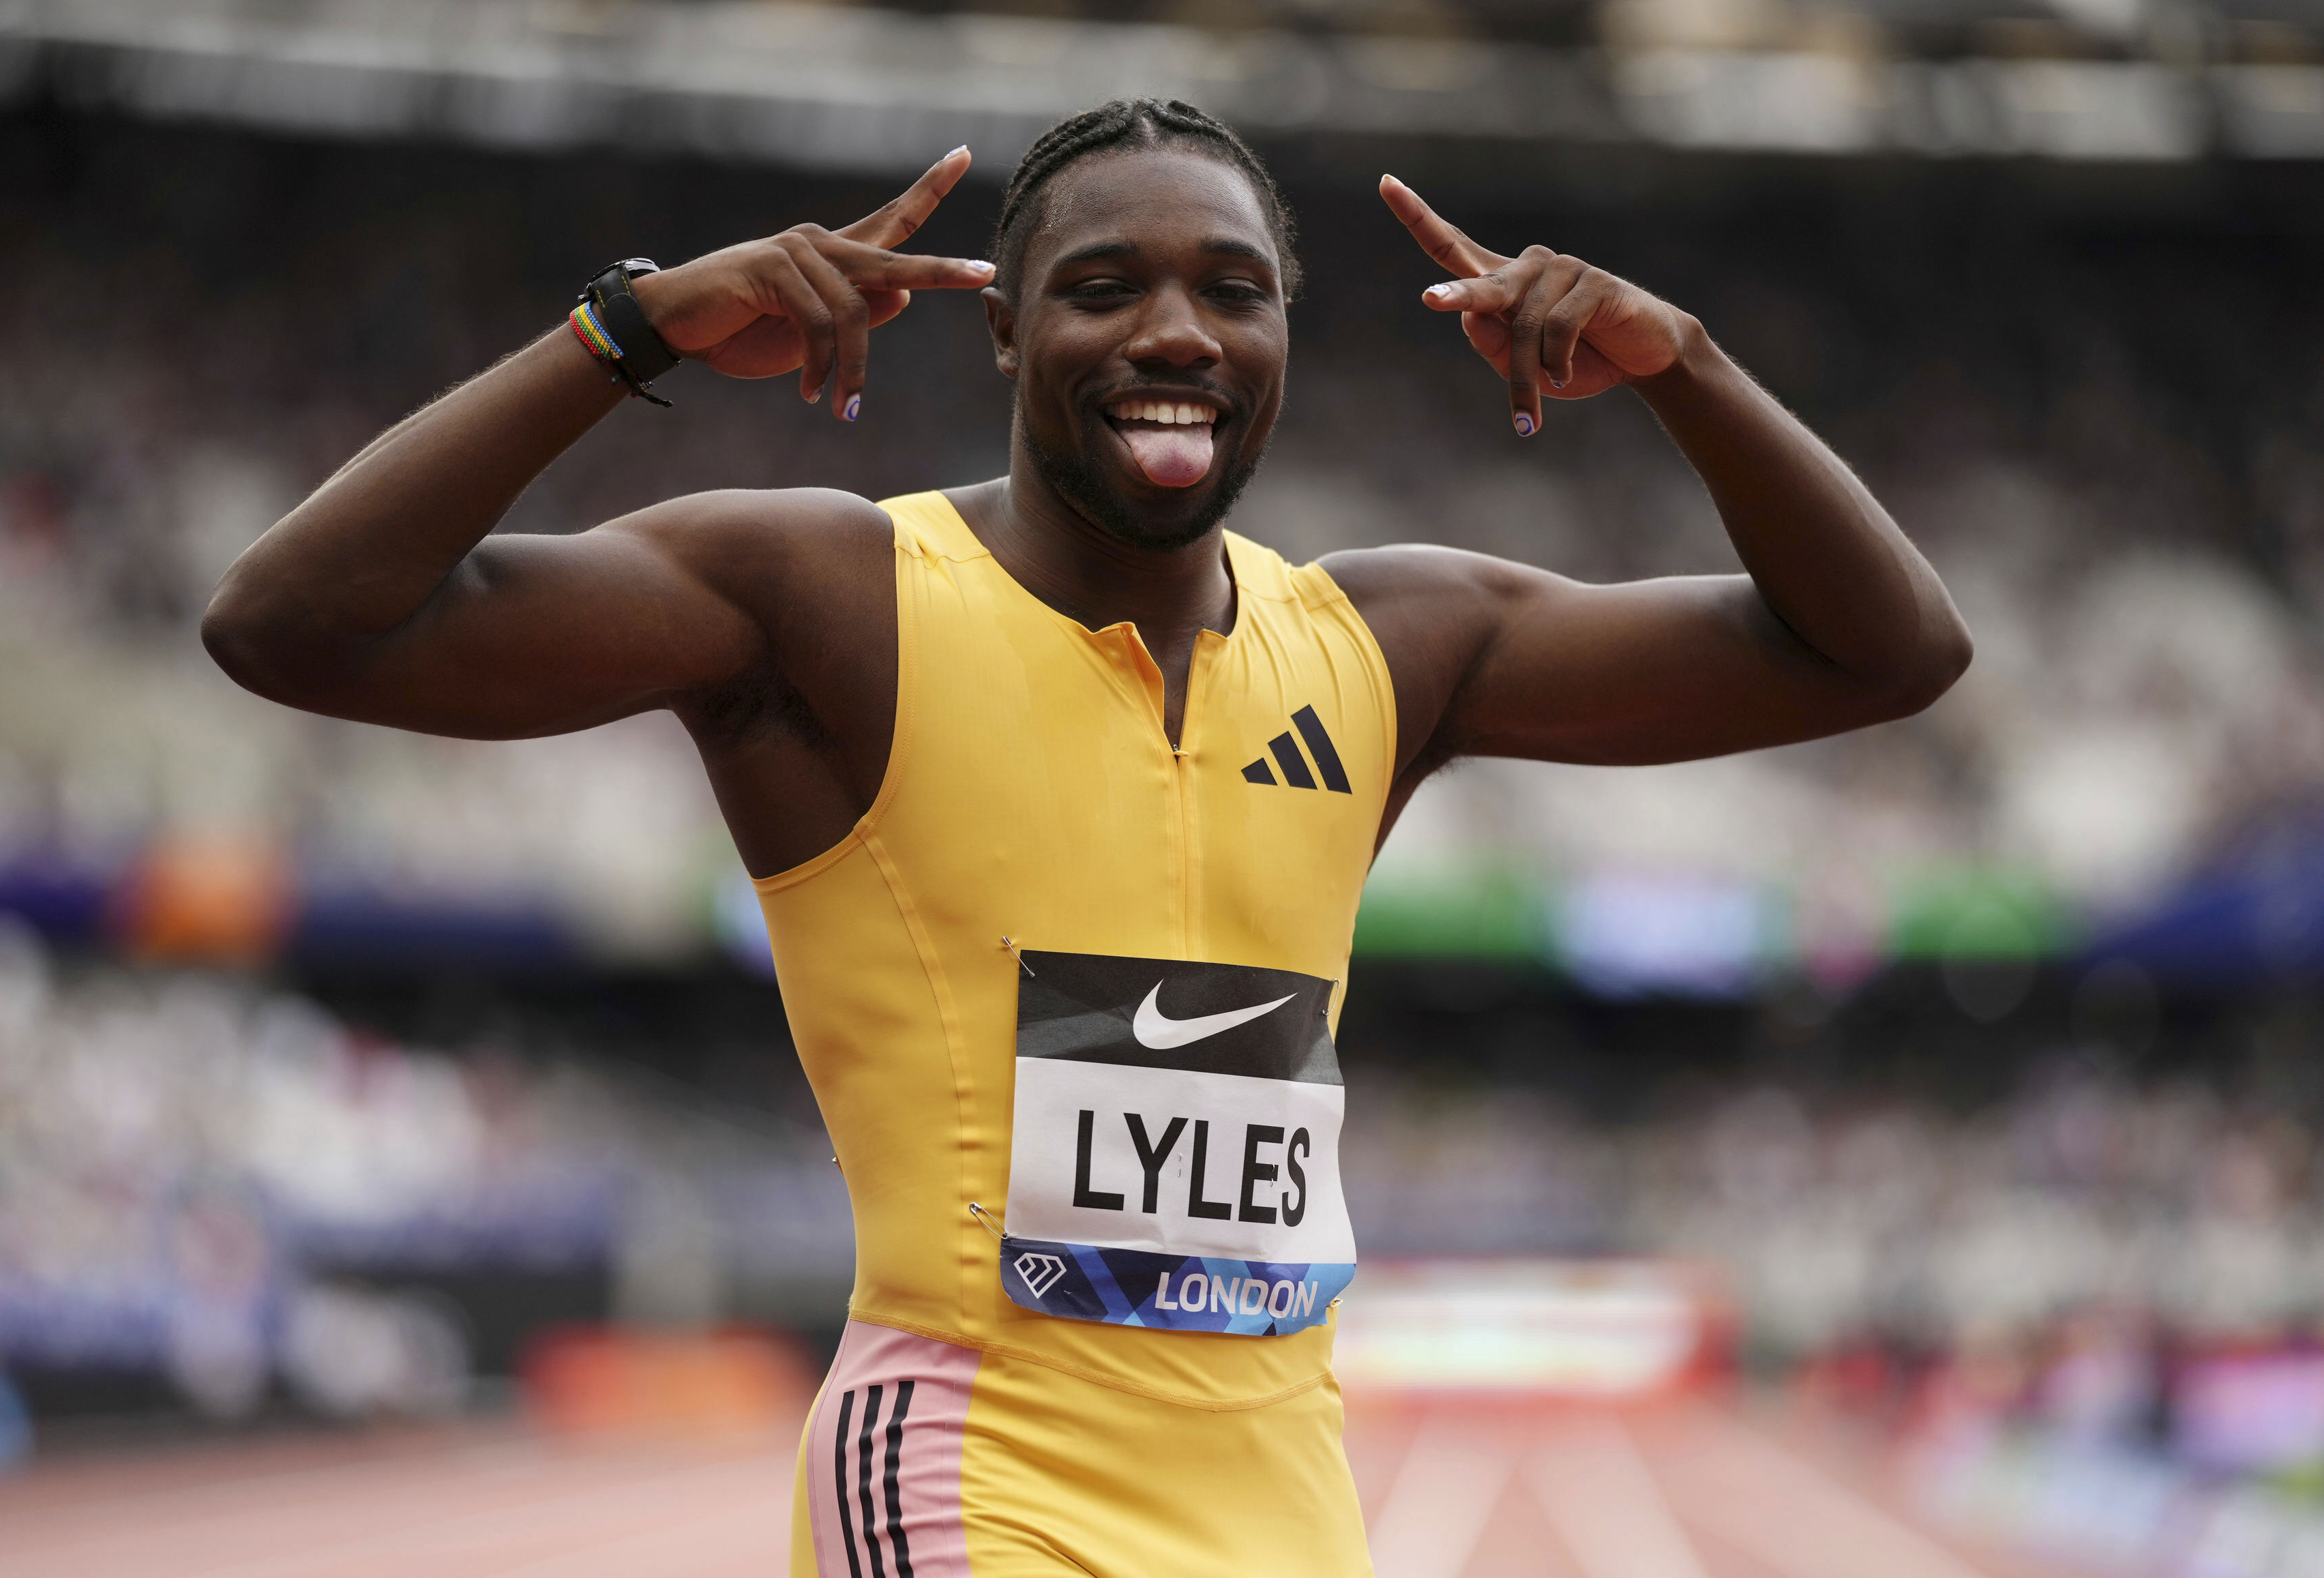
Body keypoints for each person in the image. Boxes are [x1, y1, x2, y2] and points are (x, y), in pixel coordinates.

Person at [203, 98, 1969, 1578]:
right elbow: (291, 623)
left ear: (1284, 332)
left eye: (1232, 289)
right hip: (979, 1470)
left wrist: (1687, 369)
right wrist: (628, 333)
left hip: (1282, 1492)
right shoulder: (825, 595)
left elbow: (1884, 649)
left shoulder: (1388, 644)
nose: (1175, 333)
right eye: (1101, 286)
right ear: (999, 328)